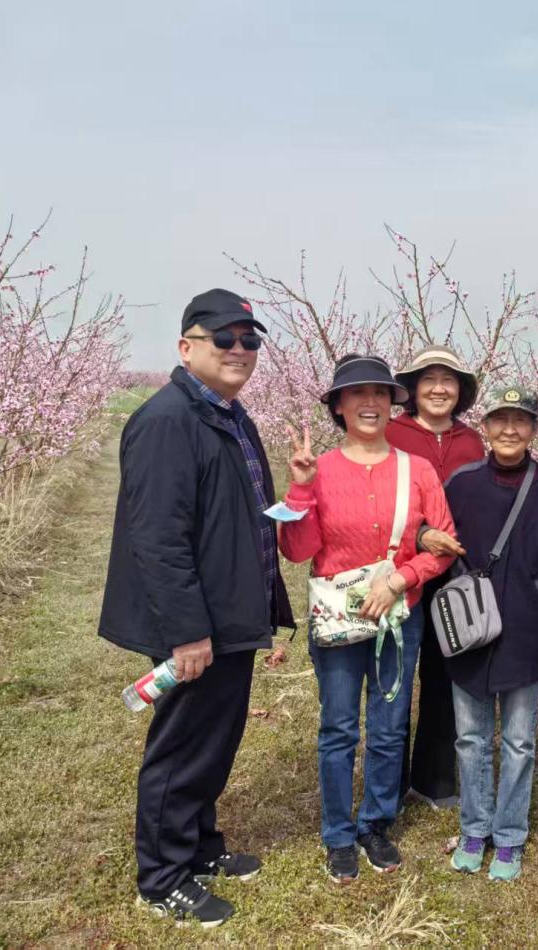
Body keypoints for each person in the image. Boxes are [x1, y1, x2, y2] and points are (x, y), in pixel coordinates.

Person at [99, 288, 294, 928]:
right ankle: (161, 878)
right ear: (187, 347)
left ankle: (200, 845)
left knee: (215, 740)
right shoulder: (167, 421)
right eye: (224, 338)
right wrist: (186, 633)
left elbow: (241, 517)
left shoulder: (230, 416)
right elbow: (158, 538)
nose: (240, 350)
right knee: (183, 747)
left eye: (250, 340)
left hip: (231, 614)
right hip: (196, 622)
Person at [279, 355, 455, 882]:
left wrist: (401, 579)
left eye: (380, 393)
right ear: (339, 406)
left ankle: (375, 822)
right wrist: (301, 488)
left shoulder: (417, 470)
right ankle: (337, 833)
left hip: (400, 617)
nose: (371, 403)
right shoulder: (321, 470)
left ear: (393, 403)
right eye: (357, 394)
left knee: (388, 726)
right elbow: (298, 550)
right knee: (338, 727)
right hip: (338, 622)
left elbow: (445, 543)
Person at [443, 384, 538, 882]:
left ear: (534, 429)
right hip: (470, 630)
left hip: (528, 633)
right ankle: (474, 828)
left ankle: (510, 835)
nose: (509, 429)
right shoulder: (461, 483)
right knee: (470, 737)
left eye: (520, 420)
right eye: (500, 419)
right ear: (485, 426)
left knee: (519, 741)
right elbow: (437, 544)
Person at [387, 345, 485, 811]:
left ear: (460, 391)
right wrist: (422, 534)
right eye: (429, 379)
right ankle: (390, 782)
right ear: (413, 388)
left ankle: (434, 778)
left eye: (448, 380)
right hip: (401, 572)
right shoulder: (393, 434)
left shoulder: (472, 442)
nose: (439, 389)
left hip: (455, 574)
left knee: (445, 675)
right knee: (395, 679)